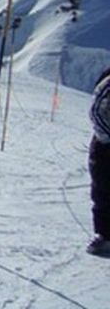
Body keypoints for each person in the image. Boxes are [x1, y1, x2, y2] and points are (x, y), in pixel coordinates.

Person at [88, 66, 110, 257]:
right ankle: (106, 236)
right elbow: (97, 112)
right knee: (104, 188)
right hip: (106, 145)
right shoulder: (108, 83)